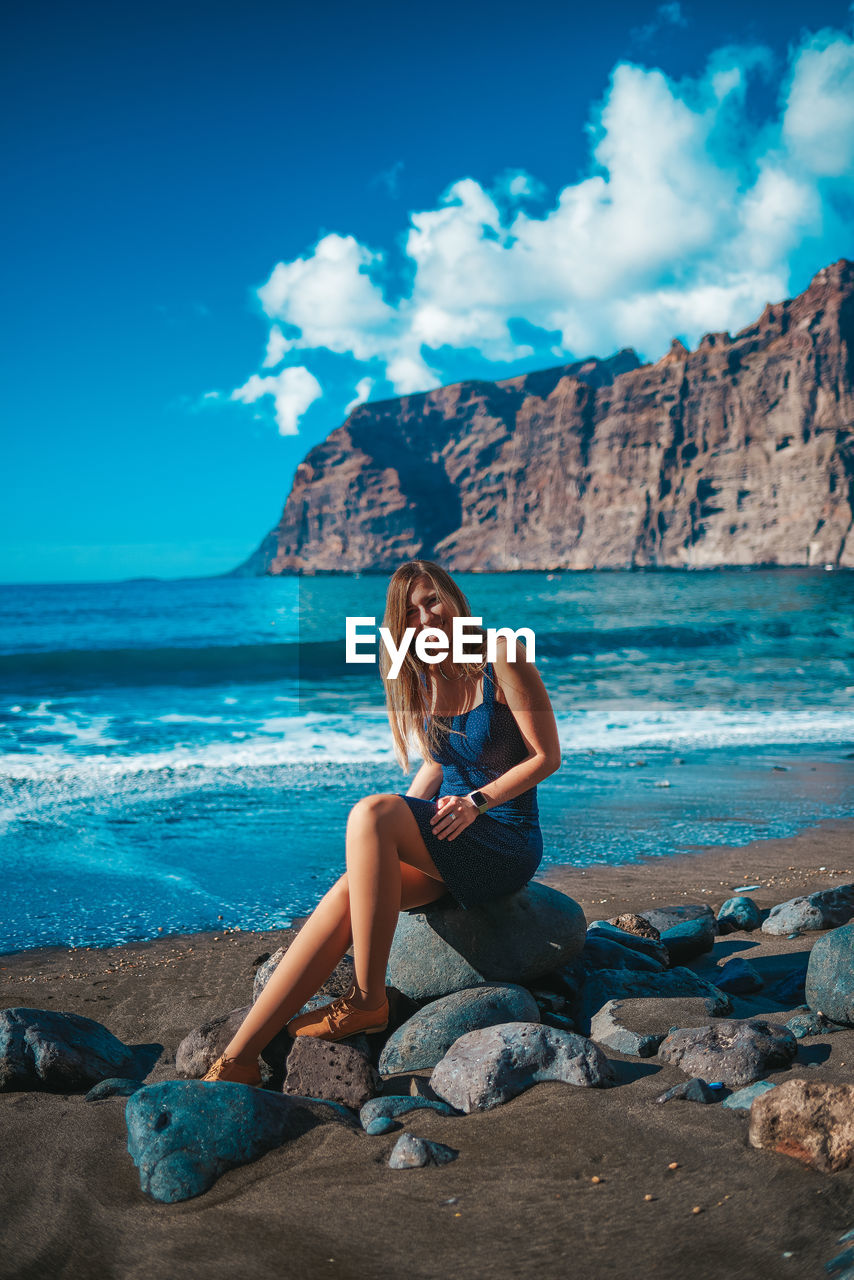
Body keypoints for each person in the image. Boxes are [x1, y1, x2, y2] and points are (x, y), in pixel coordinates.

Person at [202, 560, 561, 1083]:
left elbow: (546, 757)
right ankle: (237, 1059)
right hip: (449, 837)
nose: (425, 618)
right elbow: (439, 763)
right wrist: (394, 835)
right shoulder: (428, 672)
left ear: (455, 598)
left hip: (503, 840)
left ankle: (369, 1000)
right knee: (353, 885)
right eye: (411, 611)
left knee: (372, 810)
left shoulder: (503, 656)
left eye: (433, 600)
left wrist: (474, 803)